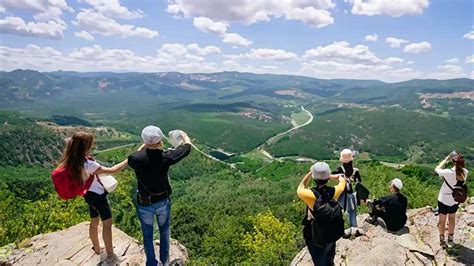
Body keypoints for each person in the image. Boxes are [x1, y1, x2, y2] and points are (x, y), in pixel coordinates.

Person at [57, 132, 128, 262]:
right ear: (85, 147)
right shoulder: (89, 164)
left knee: (94, 220)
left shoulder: (72, 160)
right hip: (98, 196)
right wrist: (129, 159)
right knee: (107, 223)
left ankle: (96, 247)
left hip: (88, 194)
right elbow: (114, 170)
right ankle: (110, 253)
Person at [128, 126, 192, 266]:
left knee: (147, 234)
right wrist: (186, 138)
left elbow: (137, 154)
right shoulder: (165, 157)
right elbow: (186, 149)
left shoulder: (135, 158)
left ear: (144, 140)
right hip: (162, 200)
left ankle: (151, 263)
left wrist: (147, 144)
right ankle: (164, 261)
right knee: (164, 231)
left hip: (144, 202)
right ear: (160, 141)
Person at [297, 162, 346, 265]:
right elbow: (342, 180)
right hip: (332, 229)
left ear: (314, 178)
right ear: (328, 178)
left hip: (315, 234)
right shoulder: (335, 191)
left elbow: (301, 186)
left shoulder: (309, 195)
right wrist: (330, 176)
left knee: (319, 256)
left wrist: (310, 173)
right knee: (329, 251)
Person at [435, 152, 468, 247]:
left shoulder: (448, 172)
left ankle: (442, 240)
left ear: (453, 162)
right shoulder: (465, 172)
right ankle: (450, 239)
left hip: (444, 200)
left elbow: (437, 169)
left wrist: (445, 160)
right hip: (455, 200)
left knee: (442, 220)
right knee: (452, 218)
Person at [331, 149, 361, 233]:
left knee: (338, 211)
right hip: (351, 194)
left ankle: (338, 230)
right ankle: (354, 228)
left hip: (341, 194)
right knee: (352, 212)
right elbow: (359, 183)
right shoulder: (356, 171)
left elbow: (331, 176)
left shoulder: (339, 169)